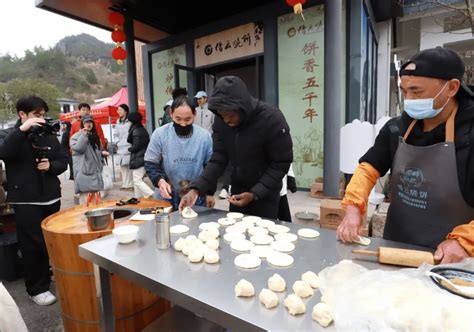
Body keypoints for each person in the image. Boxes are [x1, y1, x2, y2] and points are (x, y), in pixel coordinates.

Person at [337, 47, 474, 263]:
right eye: (404, 91)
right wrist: (354, 206)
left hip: (451, 259)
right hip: (395, 245)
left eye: (417, 92)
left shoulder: (470, 134)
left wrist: (465, 241)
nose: (409, 100)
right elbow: (369, 167)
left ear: (452, 88)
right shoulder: (397, 128)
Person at [179, 76, 293, 219]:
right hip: (238, 191)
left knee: (262, 234)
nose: (226, 120)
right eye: (222, 115)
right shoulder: (221, 122)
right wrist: (196, 189)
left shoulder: (272, 119)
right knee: (235, 233)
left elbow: (281, 163)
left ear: (242, 107)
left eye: (231, 115)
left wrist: (255, 193)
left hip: (265, 192)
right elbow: (218, 158)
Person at [0, 96, 68, 305]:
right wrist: (22, 130)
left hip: (50, 196)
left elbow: (63, 159)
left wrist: (51, 166)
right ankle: (36, 288)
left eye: (43, 115)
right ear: (22, 115)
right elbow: (4, 153)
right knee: (32, 245)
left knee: (50, 242)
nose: (41, 119)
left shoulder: (47, 133)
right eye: (36, 115)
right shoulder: (10, 134)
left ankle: (48, 275)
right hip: (26, 200)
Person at [144, 96, 214, 210]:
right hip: (166, 194)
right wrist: (160, 181)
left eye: (187, 119)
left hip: (195, 195)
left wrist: (210, 192)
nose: (183, 124)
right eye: (178, 119)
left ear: (194, 114)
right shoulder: (160, 134)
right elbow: (150, 162)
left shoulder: (204, 137)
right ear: (171, 113)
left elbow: (210, 167)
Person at [70, 116, 107, 204]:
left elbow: (96, 152)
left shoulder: (95, 137)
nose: (88, 124)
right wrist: (84, 135)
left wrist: (102, 154)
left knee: (96, 203)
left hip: (96, 172)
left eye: (90, 122)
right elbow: (79, 148)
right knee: (86, 202)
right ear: (82, 124)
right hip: (84, 172)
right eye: (86, 122)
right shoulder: (76, 136)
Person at [127, 111, 154, 198]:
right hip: (142, 156)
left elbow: (136, 146)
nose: (128, 122)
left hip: (139, 158)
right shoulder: (141, 129)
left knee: (137, 180)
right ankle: (138, 198)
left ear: (132, 121)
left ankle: (151, 194)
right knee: (138, 180)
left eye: (129, 120)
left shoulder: (136, 131)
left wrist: (130, 149)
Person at [113, 104, 132, 190]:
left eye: (120, 110)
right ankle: (125, 184)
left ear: (125, 111)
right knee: (123, 166)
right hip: (121, 147)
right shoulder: (117, 122)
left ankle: (130, 184)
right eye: (118, 110)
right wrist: (117, 142)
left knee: (130, 166)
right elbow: (115, 134)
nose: (118, 111)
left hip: (129, 146)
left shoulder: (130, 121)